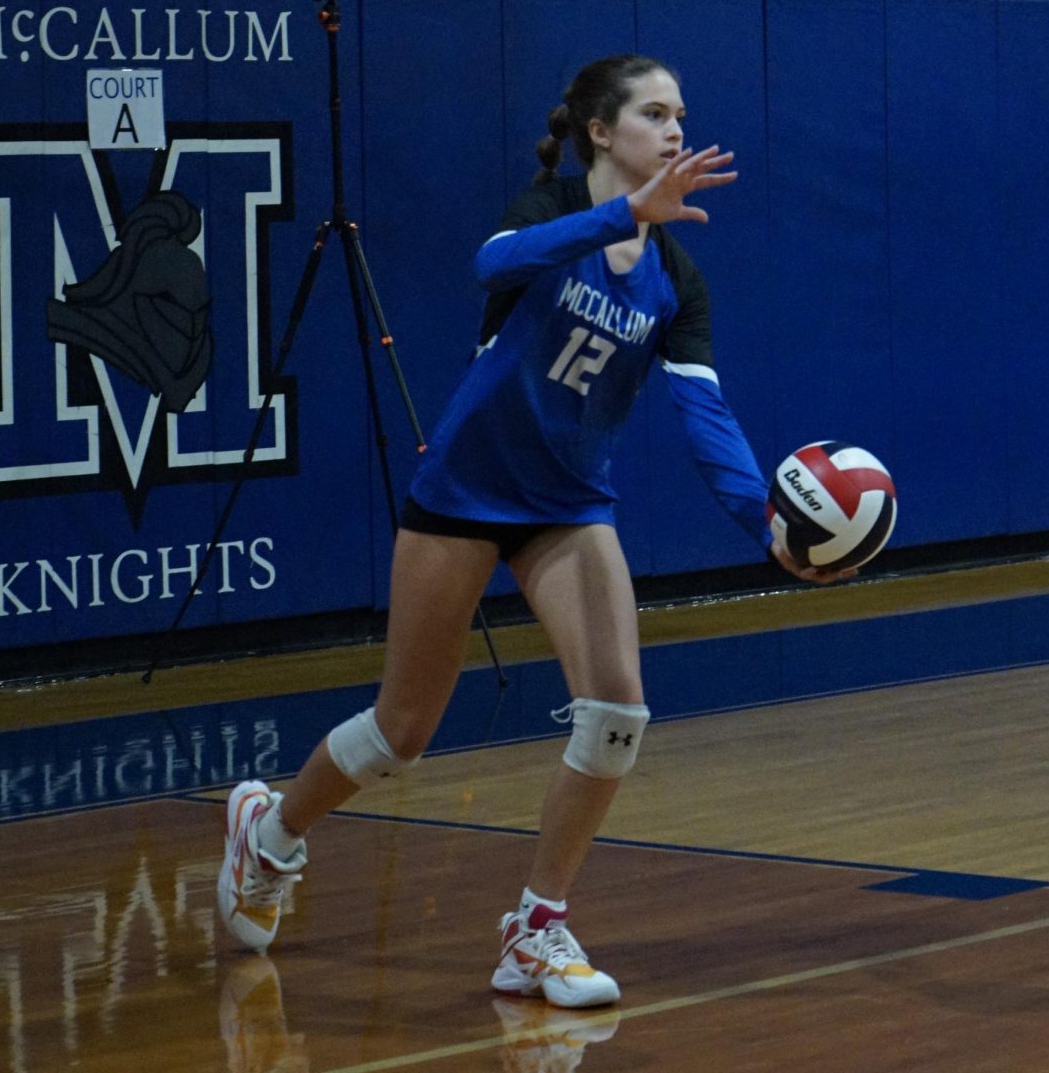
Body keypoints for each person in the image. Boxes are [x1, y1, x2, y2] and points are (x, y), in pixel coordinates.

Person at [217, 54, 848, 1009]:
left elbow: (703, 413)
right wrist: (622, 216)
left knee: (616, 715)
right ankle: (270, 833)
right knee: (402, 731)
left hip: (566, 505)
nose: (675, 130)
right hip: (465, 494)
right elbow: (491, 263)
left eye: (682, 114)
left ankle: (535, 929)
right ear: (601, 130)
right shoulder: (550, 208)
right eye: (653, 113)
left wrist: (766, 522)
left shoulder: (677, 278)